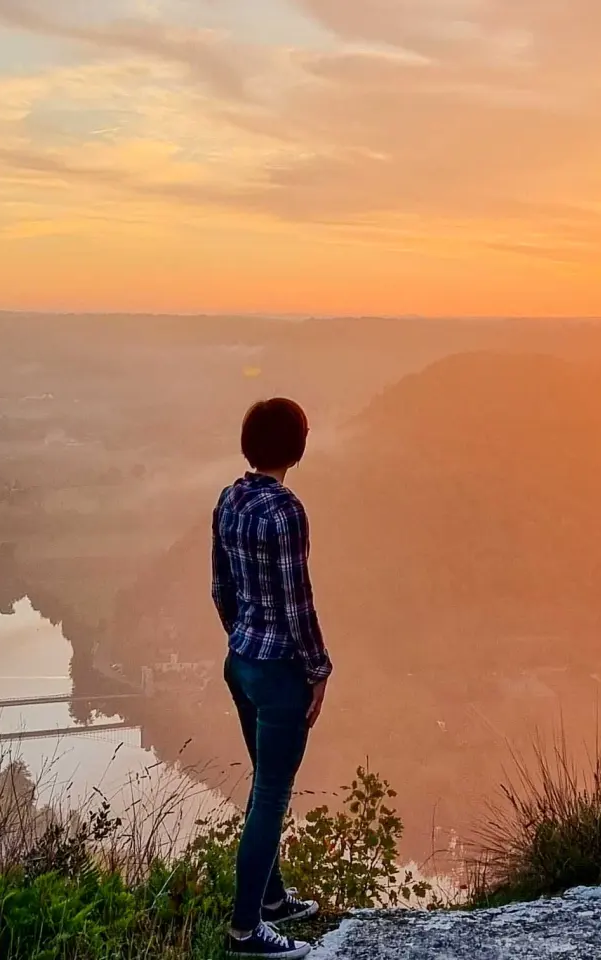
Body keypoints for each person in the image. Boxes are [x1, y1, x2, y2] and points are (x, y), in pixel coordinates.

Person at [213, 397, 334, 959]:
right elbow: (296, 603)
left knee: (264, 782)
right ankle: (245, 931)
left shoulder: (229, 499)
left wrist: (240, 640)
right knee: (270, 796)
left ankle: (271, 900)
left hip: (240, 664)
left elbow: (221, 589)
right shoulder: (285, 511)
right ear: (297, 447)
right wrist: (318, 670)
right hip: (280, 673)